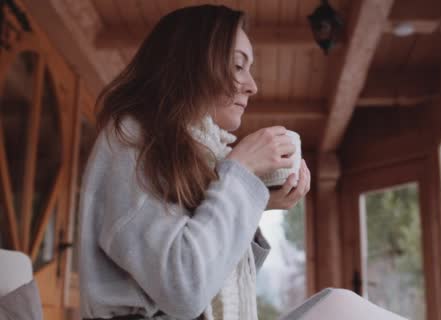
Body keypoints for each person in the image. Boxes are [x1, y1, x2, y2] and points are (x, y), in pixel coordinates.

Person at [77, 4, 310, 320]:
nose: (252, 85)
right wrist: (240, 173)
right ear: (194, 63)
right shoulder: (131, 141)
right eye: (239, 66)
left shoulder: (195, 152)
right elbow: (186, 288)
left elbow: (213, 281)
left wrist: (258, 204)